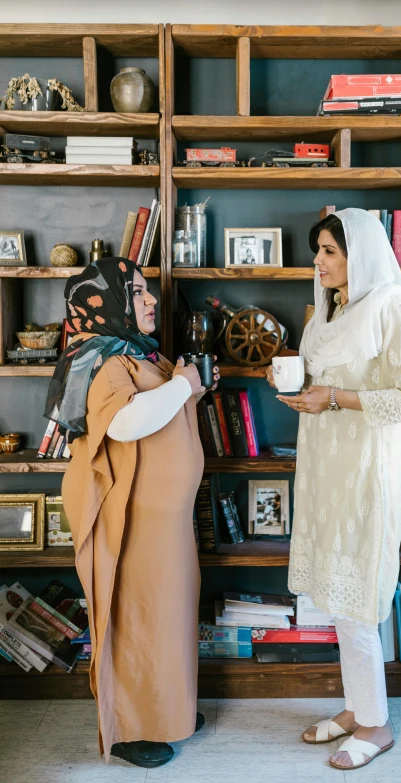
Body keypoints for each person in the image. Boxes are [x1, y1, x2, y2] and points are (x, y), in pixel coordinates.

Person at [267, 209, 401, 771]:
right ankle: (356, 706)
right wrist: (298, 386)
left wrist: (335, 398)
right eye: (317, 250)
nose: (317, 261)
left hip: (366, 469)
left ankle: (377, 724)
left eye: (329, 252)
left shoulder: (391, 304)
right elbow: (324, 379)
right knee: (338, 598)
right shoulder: (329, 308)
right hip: (323, 465)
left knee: (359, 597)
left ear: (358, 254)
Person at [44, 258, 219, 769]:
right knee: (134, 620)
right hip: (127, 521)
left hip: (161, 524)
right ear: (107, 304)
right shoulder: (102, 360)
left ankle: (169, 711)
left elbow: (162, 409)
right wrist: (184, 386)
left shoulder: (140, 354)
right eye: (136, 291)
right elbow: (123, 423)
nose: (149, 300)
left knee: (167, 618)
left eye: (147, 290)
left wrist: (189, 386)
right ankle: (128, 728)